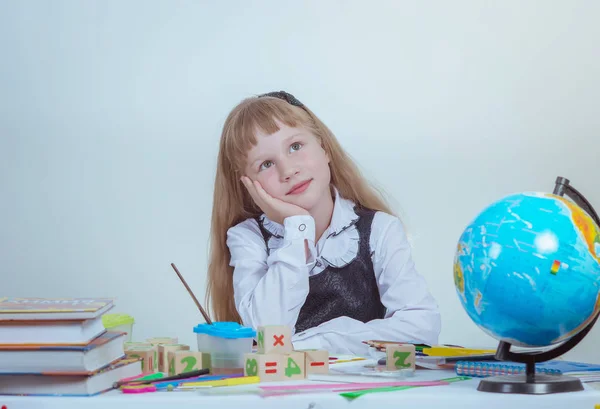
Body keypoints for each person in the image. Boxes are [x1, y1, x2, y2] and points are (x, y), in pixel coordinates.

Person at [206, 90, 441, 354]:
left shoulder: (379, 230)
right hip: (284, 392)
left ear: (324, 147)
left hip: (366, 392)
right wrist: (297, 228)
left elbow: (422, 326)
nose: (288, 171)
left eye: (295, 147)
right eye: (266, 164)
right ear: (248, 185)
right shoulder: (248, 238)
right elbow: (267, 331)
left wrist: (312, 344)